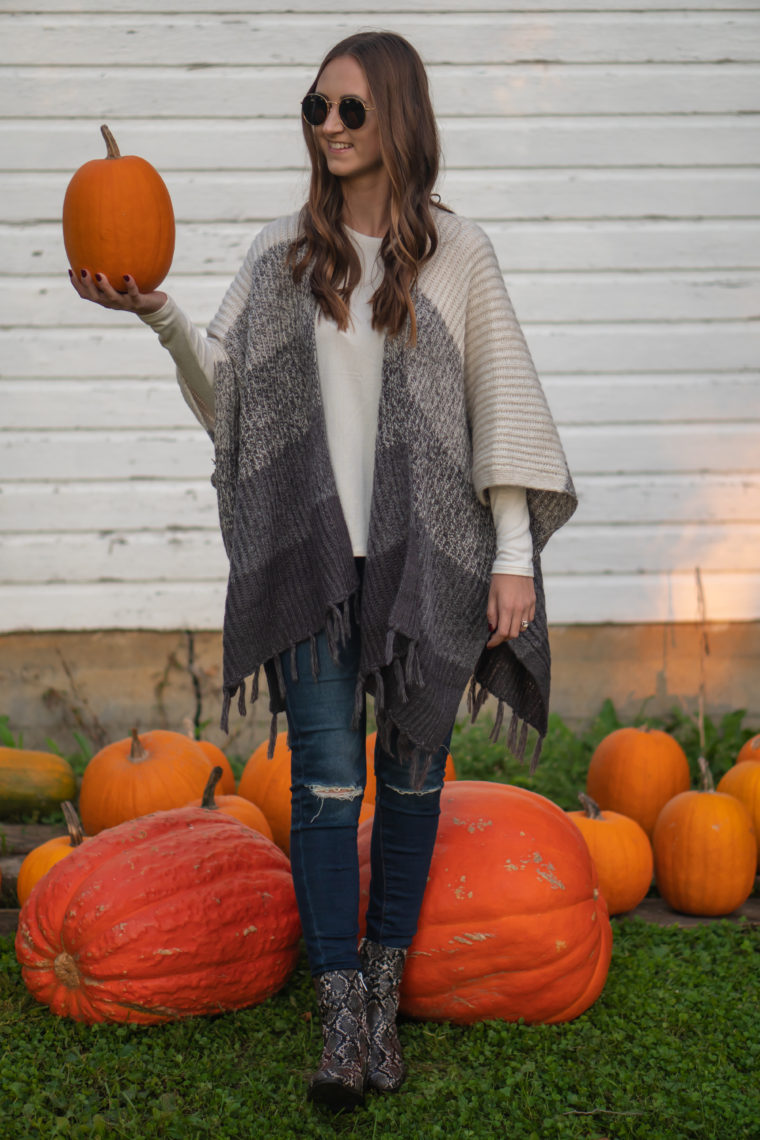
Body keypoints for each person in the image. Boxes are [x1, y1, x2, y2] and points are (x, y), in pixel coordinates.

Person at [69, 30, 576, 1111]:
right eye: (316, 109)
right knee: (324, 787)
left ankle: (384, 997)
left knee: (410, 780)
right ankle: (341, 1015)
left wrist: (513, 557)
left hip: (426, 564)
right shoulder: (281, 257)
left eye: (349, 109)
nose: (329, 127)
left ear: (398, 117)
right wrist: (158, 318)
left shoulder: (456, 254)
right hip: (314, 567)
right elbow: (236, 416)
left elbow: (500, 410)